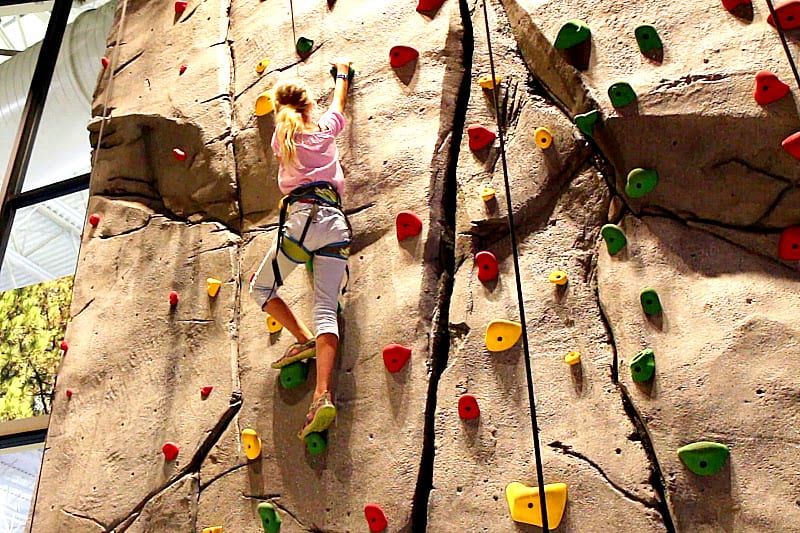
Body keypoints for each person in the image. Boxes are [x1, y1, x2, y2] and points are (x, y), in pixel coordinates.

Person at [250, 59, 352, 440]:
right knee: (327, 308)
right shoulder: (325, 128)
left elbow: (289, 127)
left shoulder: (283, 138)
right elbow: (339, 104)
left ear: (281, 110)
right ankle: (322, 395)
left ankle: (303, 339)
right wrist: (342, 74)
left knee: (261, 289)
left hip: (302, 223)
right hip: (336, 224)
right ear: (310, 104)